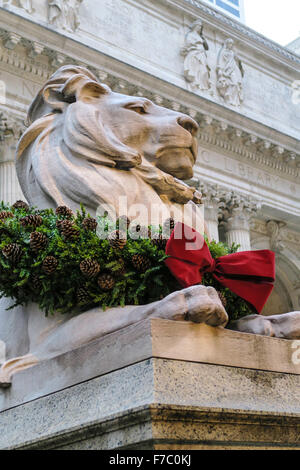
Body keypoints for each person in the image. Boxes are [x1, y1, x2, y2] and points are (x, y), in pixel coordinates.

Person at [182, 20, 211, 91]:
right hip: (195, 53)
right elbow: (189, 42)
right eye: (199, 26)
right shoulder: (191, 34)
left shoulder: (201, 37)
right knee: (195, 68)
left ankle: (201, 85)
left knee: (204, 70)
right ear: (195, 26)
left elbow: (207, 48)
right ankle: (195, 82)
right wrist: (196, 42)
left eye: (201, 27)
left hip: (201, 53)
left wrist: (203, 39)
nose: (200, 28)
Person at [216, 38, 244, 106]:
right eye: (229, 43)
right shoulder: (223, 51)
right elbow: (220, 60)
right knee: (232, 83)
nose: (230, 45)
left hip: (233, 69)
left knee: (235, 84)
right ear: (226, 44)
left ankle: (232, 98)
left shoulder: (232, 52)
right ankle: (228, 96)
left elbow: (237, 61)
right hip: (226, 69)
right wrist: (220, 69)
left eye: (231, 44)